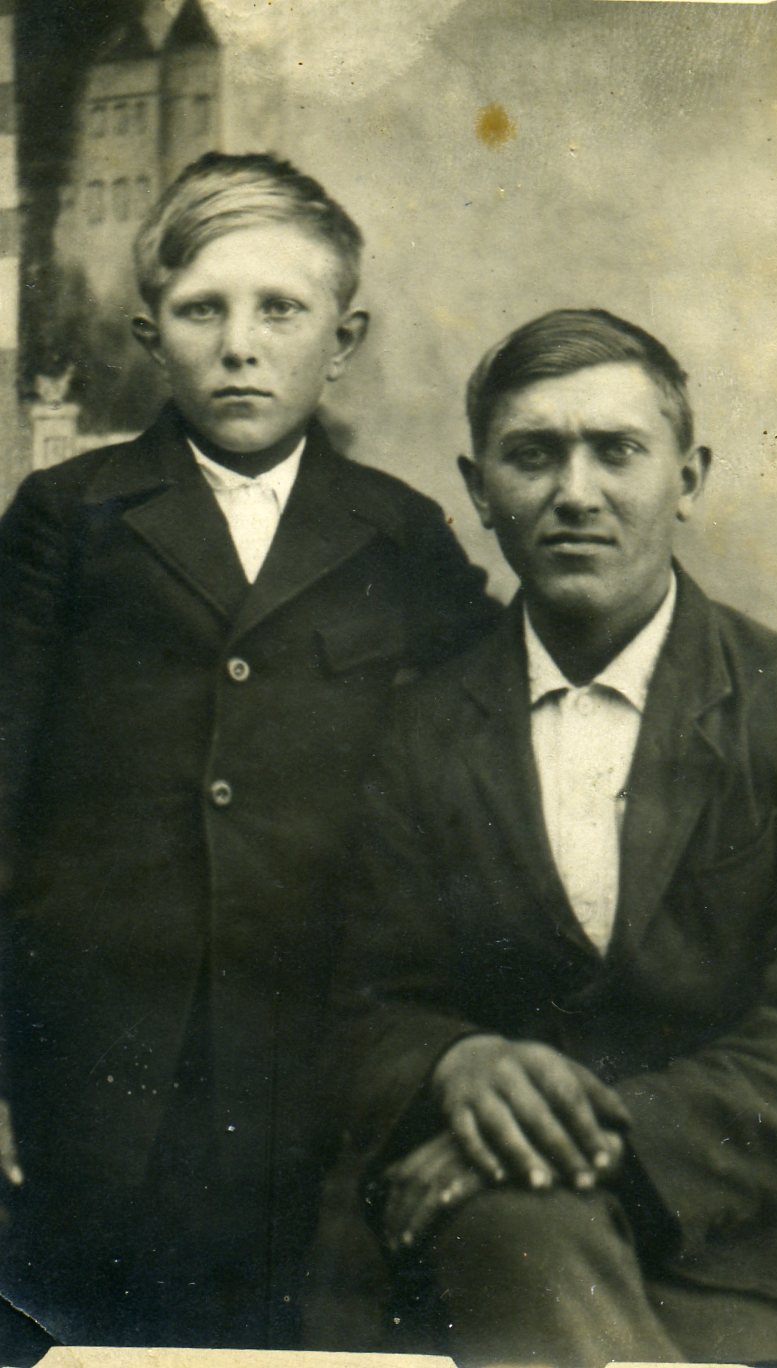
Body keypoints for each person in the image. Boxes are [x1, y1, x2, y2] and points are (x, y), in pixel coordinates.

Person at [0, 151, 496, 1350]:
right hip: (92, 1063)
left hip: (310, 1067)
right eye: (201, 310)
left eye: (280, 309)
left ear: (344, 338)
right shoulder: (68, 520)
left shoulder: (399, 535)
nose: (239, 346)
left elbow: (497, 734)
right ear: (148, 335)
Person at [329, 308, 777, 1366]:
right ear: (479, 489)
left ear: (689, 478)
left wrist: (565, 1155)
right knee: (510, 1235)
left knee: (519, 1225)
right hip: (469, 1254)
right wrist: (453, 1061)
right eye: (534, 455)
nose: (575, 493)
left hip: (742, 1259)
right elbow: (365, 999)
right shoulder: (418, 729)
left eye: (617, 451)